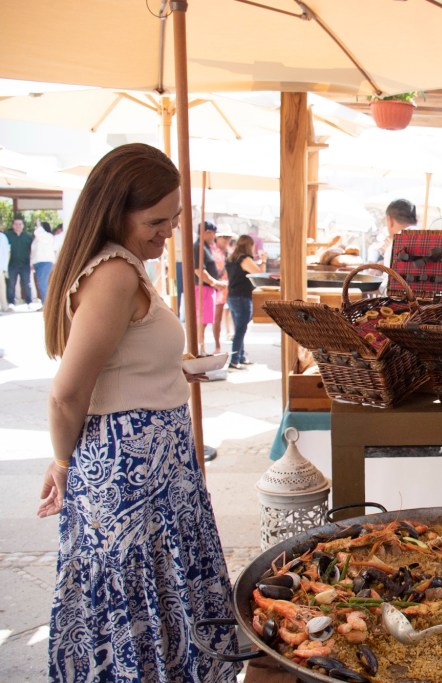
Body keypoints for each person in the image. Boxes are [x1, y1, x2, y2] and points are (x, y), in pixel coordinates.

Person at [36, 142, 240, 682]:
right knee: (141, 608)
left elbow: (118, 373)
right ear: (115, 210)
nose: (168, 231)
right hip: (133, 477)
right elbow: (66, 394)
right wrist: (62, 464)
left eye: (173, 219)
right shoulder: (115, 275)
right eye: (156, 220)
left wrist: (179, 370)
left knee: (158, 604)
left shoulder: (125, 266)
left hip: (152, 468)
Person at [224, 233, 264, 369]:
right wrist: (263, 261)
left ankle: (240, 356)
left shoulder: (231, 258)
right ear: (249, 246)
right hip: (242, 297)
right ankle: (234, 359)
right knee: (241, 329)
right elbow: (259, 274)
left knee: (239, 327)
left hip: (232, 296)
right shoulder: (244, 259)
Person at [194, 221, 227, 353]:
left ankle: (201, 347)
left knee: (205, 320)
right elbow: (199, 270)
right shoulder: (198, 247)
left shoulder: (206, 247)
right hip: (204, 288)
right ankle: (200, 348)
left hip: (209, 288)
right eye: (213, 233)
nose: (214, 236)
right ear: (207, 232)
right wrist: (215, 282)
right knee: (202, 320)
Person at [4, 217, 33, 307]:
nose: (18, 226)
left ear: (23, 225)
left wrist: (32, 263)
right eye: (16, 224)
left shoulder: (28, 236)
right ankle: (11, 303)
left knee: (27, 284)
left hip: (25, 264)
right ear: (13, 225)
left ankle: (29, 302)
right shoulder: (7, 236)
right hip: (12, 264)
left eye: (20, 224)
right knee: (11, 284)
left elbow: (32, 250)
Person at [31, 220, 56, 306]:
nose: (36, 228)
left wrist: (38, 224)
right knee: (41, 284)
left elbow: (39, 233)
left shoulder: (47, 236)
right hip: (38, 263)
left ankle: (46, 305)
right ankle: (45, 304)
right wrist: (32, 263)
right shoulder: (37, 238)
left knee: (43, 284)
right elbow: (34, 251)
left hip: (45, 262)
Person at [0, 229, 10, 312]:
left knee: (2, 287)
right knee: (2, 287)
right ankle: (4, 306)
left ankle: (4, 306)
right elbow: (7, 252)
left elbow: (7, 252)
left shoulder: (3, 237)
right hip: (1, 266)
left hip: (1, 266)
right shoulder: (3, 237)